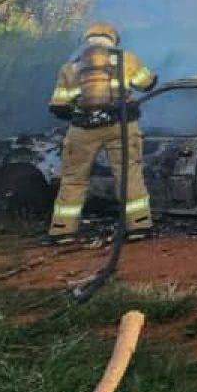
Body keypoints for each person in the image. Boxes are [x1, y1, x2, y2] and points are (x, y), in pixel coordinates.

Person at [47, 21, 157, 243]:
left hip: (83, 130)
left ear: (86, 40)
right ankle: (138, 226)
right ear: (113, 39)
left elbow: (58, 107)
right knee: (129, 174)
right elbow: (148, 84)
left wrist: (85, 114)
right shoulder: (127, 58)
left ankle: (63, 230)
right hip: (121, 127)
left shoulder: (71, 66)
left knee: (74, 180)